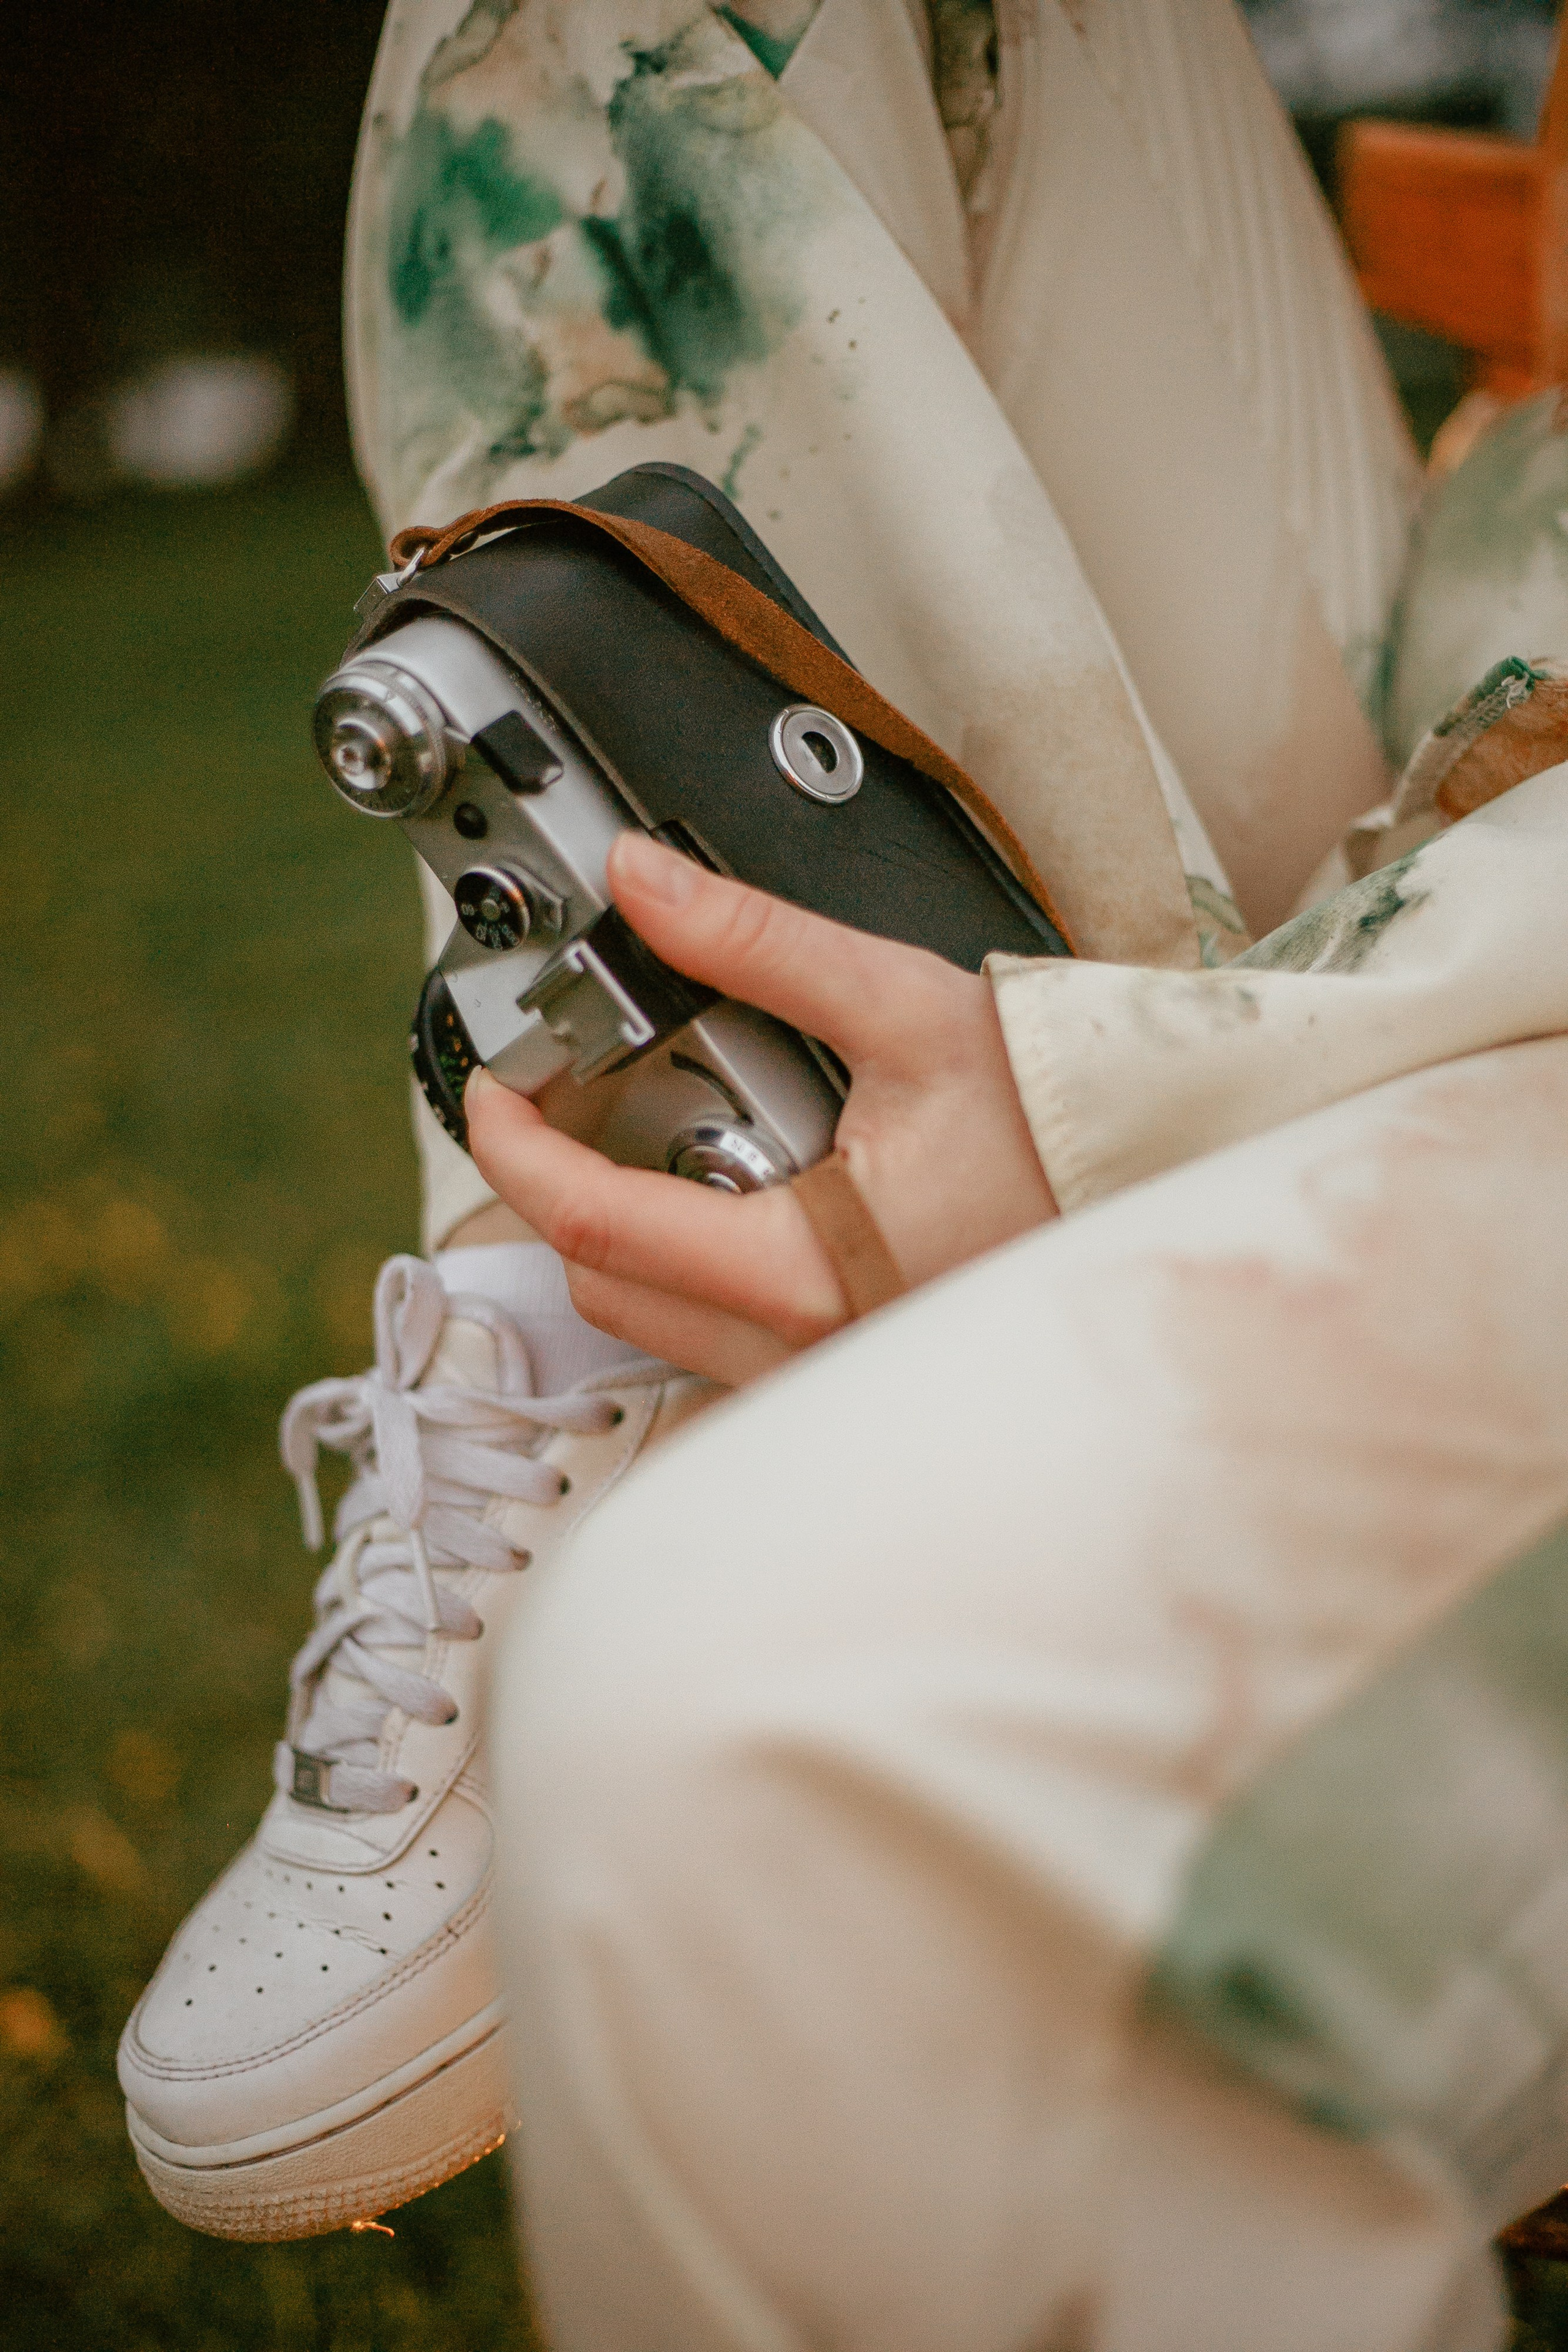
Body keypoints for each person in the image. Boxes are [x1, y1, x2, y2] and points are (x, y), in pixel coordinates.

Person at [118, 3, 1568, 2343]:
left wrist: (1127, 1096)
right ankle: (580, 1256)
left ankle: (761, 1218)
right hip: (1484, 595)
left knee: (743, 1744)